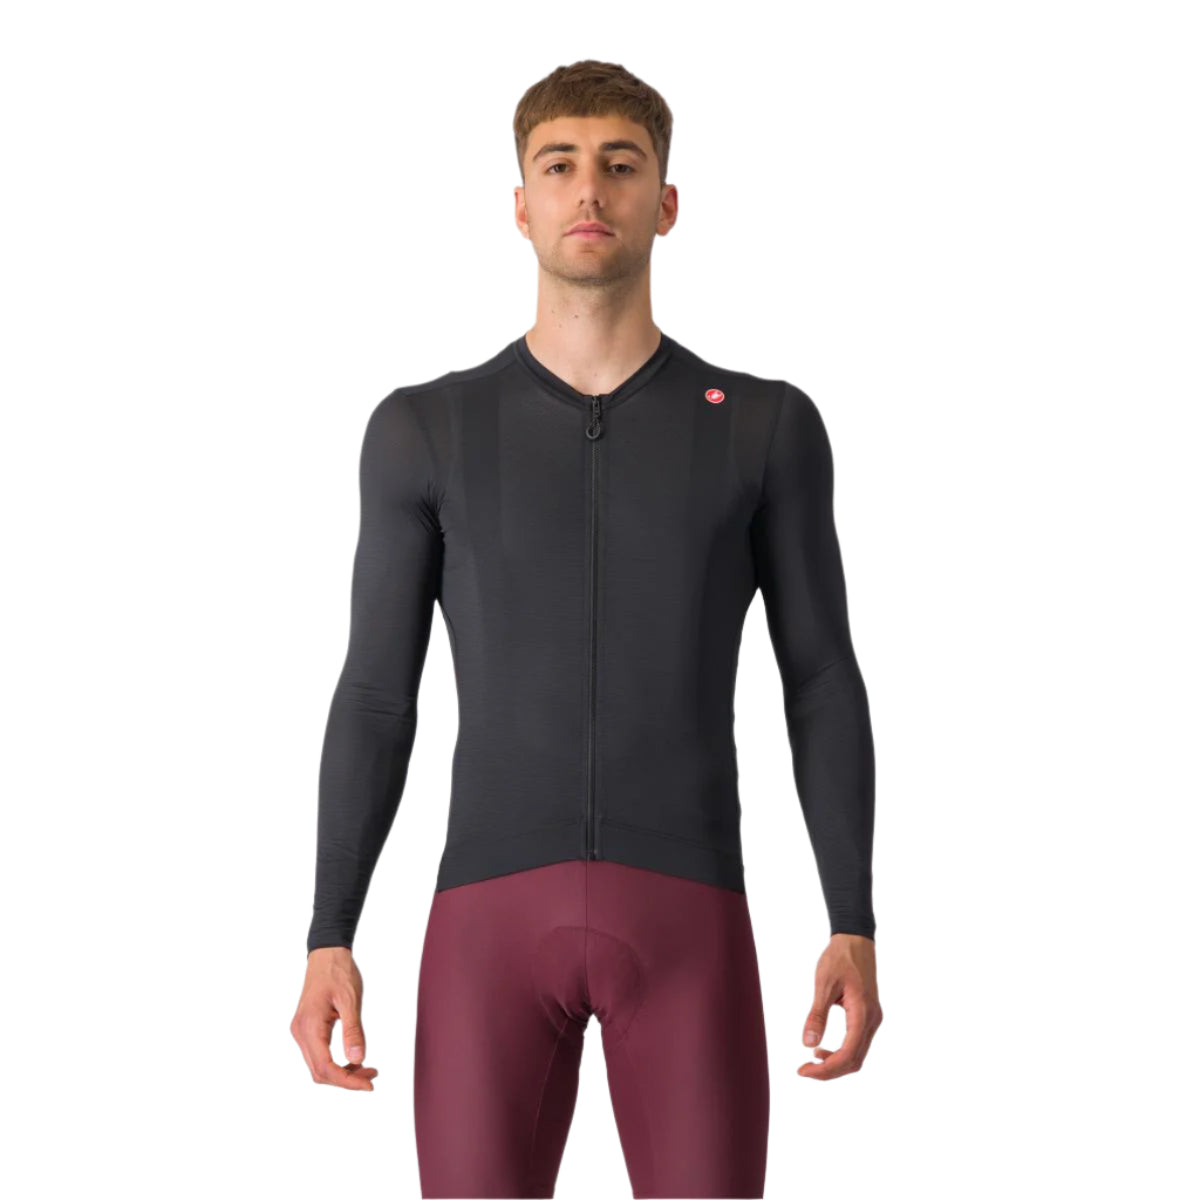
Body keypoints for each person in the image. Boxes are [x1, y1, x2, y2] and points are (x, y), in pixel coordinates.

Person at [290, 59, 883, 1199]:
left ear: (668, 202)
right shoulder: (427, 429)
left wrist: (851, 916)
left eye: (621, 164)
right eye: (559, 166)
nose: (590, 190)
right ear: (520, 206)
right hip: (486, 922)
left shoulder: (763, 427)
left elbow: (820, 678)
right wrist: (330, 932)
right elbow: (374, 694)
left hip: (690, 912)